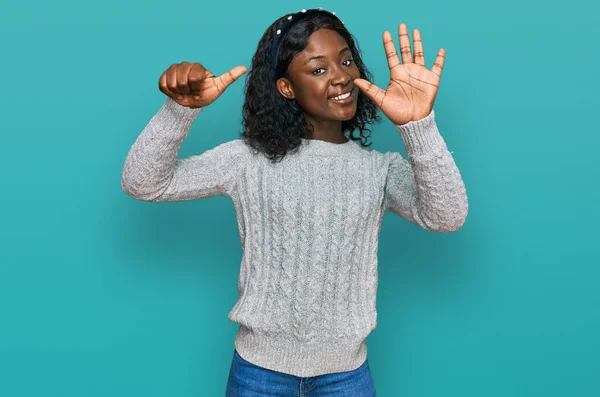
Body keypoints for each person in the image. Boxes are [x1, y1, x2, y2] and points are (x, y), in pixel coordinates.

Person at [121, 8, 468, 397]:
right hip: (259, 374)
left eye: (346, 60)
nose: (340, 76)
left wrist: (417, 125)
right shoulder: (247, 161)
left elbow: (448, 216)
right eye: (318, 69)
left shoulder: (378, 170)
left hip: (346, 377)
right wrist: (179, 110)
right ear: (286, 87)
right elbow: (143, 183)